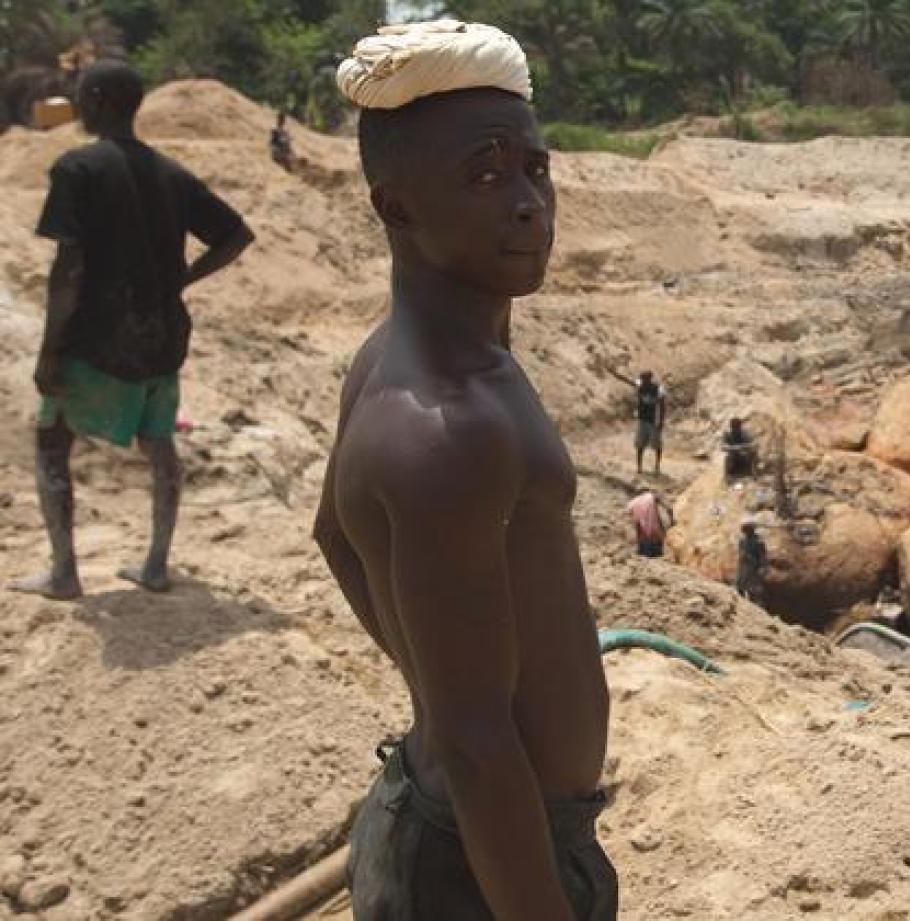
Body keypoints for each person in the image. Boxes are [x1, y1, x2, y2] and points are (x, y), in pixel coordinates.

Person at [313, 21, 615, 920]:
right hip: (480, 869)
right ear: (395, 207)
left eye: (535, 167)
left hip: (463, 828)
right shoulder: (446, 427)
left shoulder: (414, 353)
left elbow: (333, 533)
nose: (528, 203)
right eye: (483, 175)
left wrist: (441, 681)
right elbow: (482, 749)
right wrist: (457, 708)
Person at [9, 61, 253, 601]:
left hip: (96, 339)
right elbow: (236, 236)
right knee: (159, 443)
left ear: (96, 98)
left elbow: (68, 270)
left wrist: (49, 353)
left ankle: (64, 572)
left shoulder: (77, 169)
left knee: (52, 445)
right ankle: (156, 565)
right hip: (162, 339)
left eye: (79, 93)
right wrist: (182, 281)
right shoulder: (171, 173)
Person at [633, 370, 665, 475]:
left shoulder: (657, 389)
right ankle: (639, 467)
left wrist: (661, 421)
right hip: (643, 420)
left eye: (644, 380)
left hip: (653, 421)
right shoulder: (640, 387)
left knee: (656, 445)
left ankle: (657, 466)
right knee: (640, 445)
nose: (643, 382)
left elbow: (662, 406)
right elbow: (636, 383)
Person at [627, 489, 672, 559]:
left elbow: (629, 514)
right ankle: (653, 554)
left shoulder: (633, 501)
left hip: (640, 528)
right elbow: (668, 508)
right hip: (652, 527)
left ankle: (643, 553)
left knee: (643, 539)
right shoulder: (651, 496)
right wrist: (672, 519)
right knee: (655, 536)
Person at [735, 520, 767, 605]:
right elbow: (740, 552)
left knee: (754, 591)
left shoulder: (758, 542)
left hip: (753, 567)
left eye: (748, 529)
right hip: (743, 566)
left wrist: (762, 568)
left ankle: (757, 608)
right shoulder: (742, 541)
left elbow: (762, 556)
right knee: (739, 586)